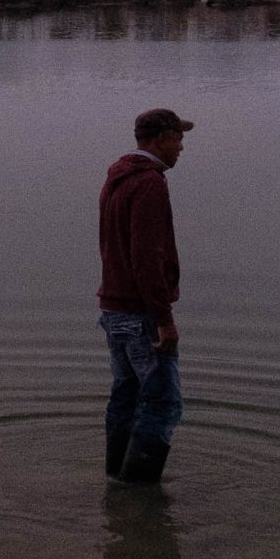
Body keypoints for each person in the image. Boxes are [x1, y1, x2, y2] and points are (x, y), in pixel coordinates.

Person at [98, 107, 190, 484]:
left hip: (113, 309)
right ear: (161, 138)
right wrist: (164, 320)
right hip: (140, 315)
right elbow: (147, 257)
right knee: (162, 402)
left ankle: (115, 480)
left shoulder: (117, 178)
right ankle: (139, 492)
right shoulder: (150, 183)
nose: (182, 147)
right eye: (178, 138)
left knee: (126, 395)